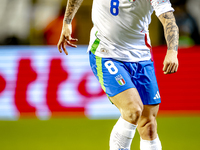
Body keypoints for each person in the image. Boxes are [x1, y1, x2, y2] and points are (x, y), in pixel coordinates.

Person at [57, 0, 179, 150]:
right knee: (133, 110)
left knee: (148, 125)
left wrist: (172, 52)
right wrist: (67, 22)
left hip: (141, 57)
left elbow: (168, 18)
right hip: (106, 53)